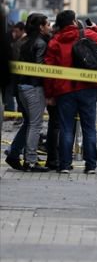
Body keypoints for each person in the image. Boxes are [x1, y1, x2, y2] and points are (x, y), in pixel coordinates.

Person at [43, 11, 97, 174]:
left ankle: (64, 164)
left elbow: (49, 71)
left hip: (64, 90)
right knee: (89, 127)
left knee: (66, 127)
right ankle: (91, 165)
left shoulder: (55, 41)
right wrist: (96, 28)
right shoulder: (86, 33)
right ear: (73, 21)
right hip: (87, 87)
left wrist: (49, 94)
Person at [8, 14, 52, 172]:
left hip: (22, 86)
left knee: (28, 122)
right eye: (47, 24)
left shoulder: (25, 41)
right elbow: (39, 68)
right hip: (34, 87)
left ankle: (13, 154)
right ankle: (31, 161)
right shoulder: (41, 43)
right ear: (41, 27)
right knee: (35, 124)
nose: (49, 27)